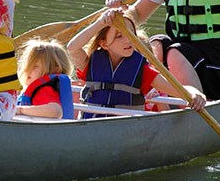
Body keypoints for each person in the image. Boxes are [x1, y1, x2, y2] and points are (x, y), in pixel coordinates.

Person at [67, 9, 206, 118]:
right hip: (92, 126)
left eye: (131, 34)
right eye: (119, 36)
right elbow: (72, 47)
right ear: (103, 44)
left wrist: (194, 93)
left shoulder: (142, 70)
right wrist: (101, 22)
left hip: (126, 130)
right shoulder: (90, 64)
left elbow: (177, 89)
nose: (128, 41)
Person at [16, 39, 75, 119]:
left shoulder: (44, 90)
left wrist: (21, 110)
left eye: (34, 66)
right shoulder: (39, 90)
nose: (27, 70)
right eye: (27, 65)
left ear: (55, 69)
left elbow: (56, 112)